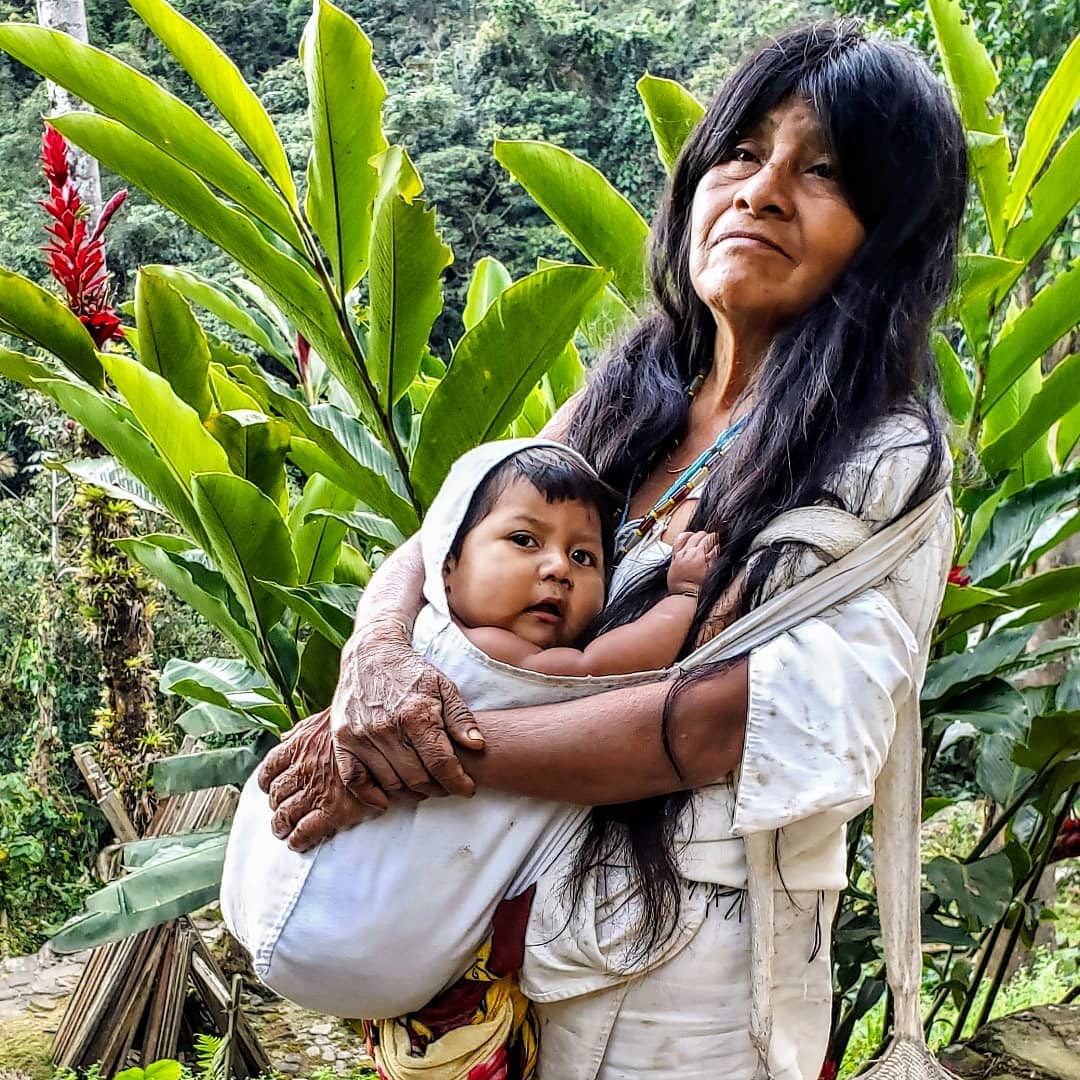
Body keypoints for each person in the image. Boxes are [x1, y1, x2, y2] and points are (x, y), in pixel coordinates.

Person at [257, 19, 966, 1080]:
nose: (763, 190)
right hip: (510, 959)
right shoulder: (634, 393)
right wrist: (378, 659)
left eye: (823, 171)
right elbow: (453, 529)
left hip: (689, 992)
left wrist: (413, 758)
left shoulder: (878, 453)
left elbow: (743, 714)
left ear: (890, 233)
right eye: (742, 150)